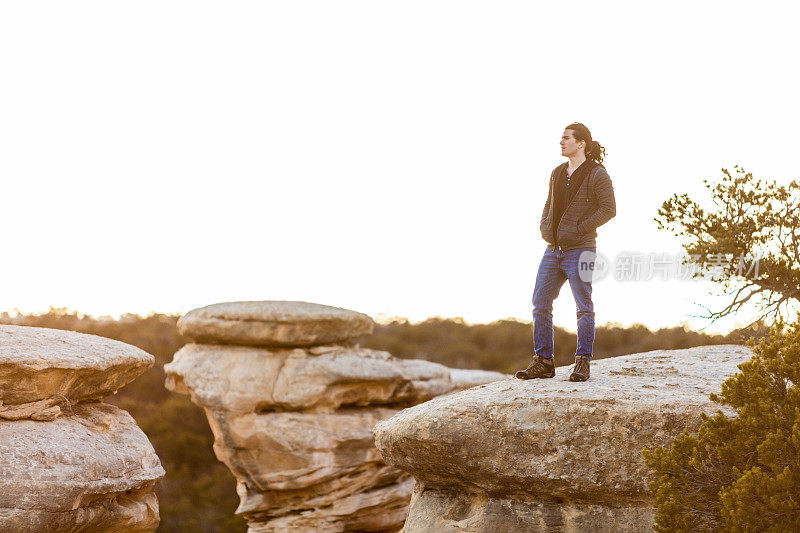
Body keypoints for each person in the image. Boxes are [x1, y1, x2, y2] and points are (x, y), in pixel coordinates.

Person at [515, 123, 616, 382]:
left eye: (566, 138)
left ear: (581, 143)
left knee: (583, 307)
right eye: (561, 138)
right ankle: (544, 362)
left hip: (581, 249)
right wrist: (545, 227)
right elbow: (549, 203)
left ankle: (582, 363)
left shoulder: (597, 174)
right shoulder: (557, 173)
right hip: (553, 250)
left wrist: (580, 228)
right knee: (540, 302)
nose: (561, 142)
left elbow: (609, 209)